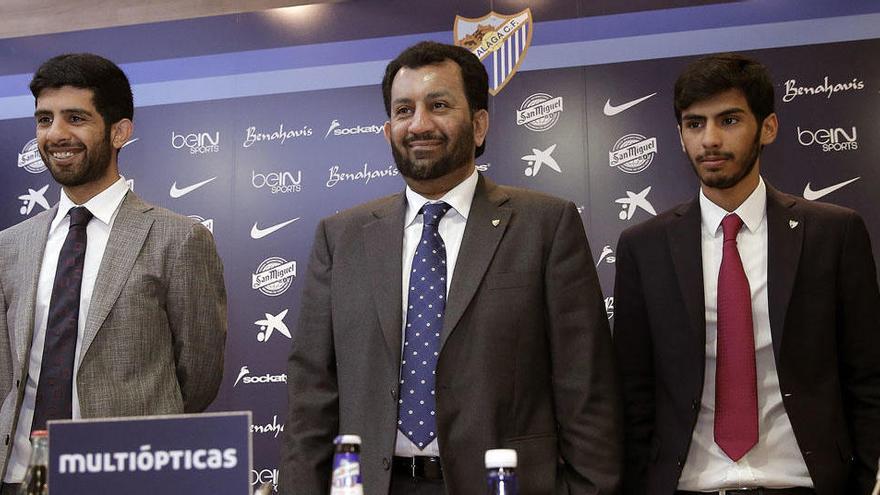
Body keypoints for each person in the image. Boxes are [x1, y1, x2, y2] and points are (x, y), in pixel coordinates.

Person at [282, 41, 621, 495]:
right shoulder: (340, 237)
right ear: (388, 131)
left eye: (438, 105)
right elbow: (312, 400)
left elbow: (586, 388)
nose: (419, 124)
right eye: (404, 110)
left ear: (479, 125)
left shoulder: (546, 225)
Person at [613, 52, 880, 495]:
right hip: (689, 485)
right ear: (679, 135)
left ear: (768, 127)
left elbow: (867, 377)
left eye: (729, 120)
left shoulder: (833, 233)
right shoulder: (644, 247)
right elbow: (632, 392)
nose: (710, 139)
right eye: (694, 123)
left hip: (805, 483)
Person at [0, 53, 227, 493]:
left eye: (76, 118)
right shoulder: (11, 245)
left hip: (129, 476)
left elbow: (197, 378)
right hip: (19, 478)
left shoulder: (178, 239)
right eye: (44, 119)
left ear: (119, 131)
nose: (56, 134)